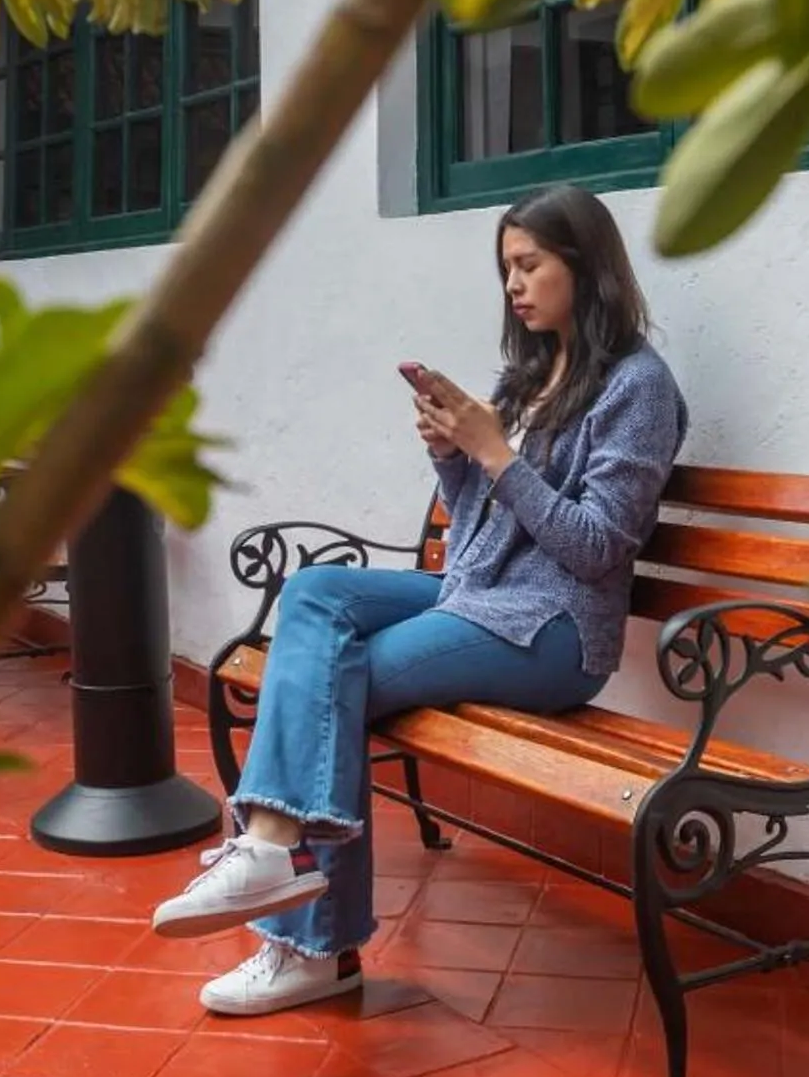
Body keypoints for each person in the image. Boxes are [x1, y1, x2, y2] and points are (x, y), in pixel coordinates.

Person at [150, 183, 689, 1016]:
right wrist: (454, 457)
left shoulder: (638, 388)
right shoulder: (530, 375)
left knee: (338, 676)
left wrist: (497, 455)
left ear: (585, 265)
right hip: (479, 595)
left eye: (529, 264)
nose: (513, 284)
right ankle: (279, 864)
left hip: (554, 632)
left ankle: (302, 925)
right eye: (505, 268)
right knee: (315, 593)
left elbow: (597, 547)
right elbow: (477, 523)